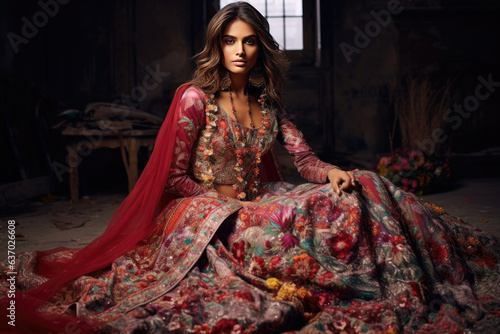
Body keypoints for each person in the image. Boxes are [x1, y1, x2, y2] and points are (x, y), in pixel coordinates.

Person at [1, 2, 499, 333]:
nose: (240, 51)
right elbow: (173, 178)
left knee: (360, 186)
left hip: (258, 198)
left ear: (261, 46)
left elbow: (302, 160)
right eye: (230, 42)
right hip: (204, 213)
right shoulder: (195, 99)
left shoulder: (268, 104)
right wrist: (217, 197)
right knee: (292, 221)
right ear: (218, 46)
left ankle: (397, 266)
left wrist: (331, 173)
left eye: (250, 41)